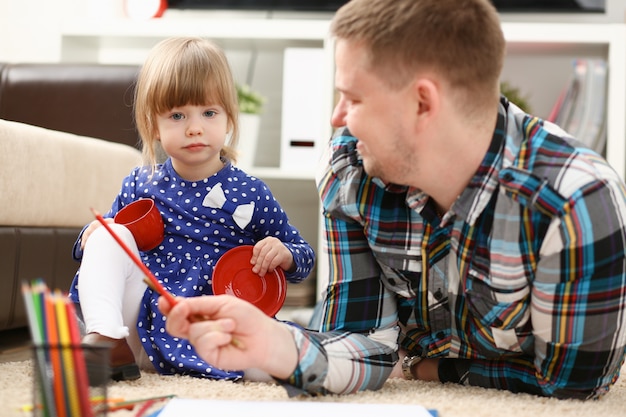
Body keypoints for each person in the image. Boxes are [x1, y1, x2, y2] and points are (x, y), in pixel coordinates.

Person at [159, 0, 626, 400]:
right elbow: (361, 341)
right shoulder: (350, 167)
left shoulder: (575, 201)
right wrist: (274, 345)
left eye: (352, 98)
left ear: (422, 103)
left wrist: (432, 370)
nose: (337, 116)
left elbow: (573, 385)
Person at [69, 36, 315, 382]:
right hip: (140, 325)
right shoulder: (141, 183)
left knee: (282, 365)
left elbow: (303, 257)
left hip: (211, 329)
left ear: (229, 119)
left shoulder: (250, 193)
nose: (194, 127)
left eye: (209, 112)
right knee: (111, 232)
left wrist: (283, 254)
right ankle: (106, 339)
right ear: (153, 124)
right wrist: (91, 235)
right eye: (178, 115)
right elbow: (102, 251)